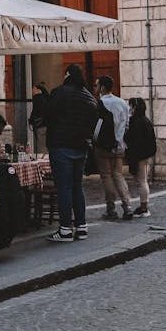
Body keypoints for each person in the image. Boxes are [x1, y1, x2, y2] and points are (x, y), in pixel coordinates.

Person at [41, 64, 99, 242]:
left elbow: (47, 114)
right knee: (76, 186)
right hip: (80, 147)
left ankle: (65, 229)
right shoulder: (89, 96)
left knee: (64, 187)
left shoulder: (60, 92)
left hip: (61, 146)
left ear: (67, 75)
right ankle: (81, 226)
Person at [93, 75, 133, 221]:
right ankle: (127, 206)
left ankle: (111, 209)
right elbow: (127, 124)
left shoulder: (99, 104)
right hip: (119, 145)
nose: (95, 88)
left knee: (106, 176)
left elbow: (96, 127)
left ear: (102, 87)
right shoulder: (122, 103)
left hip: (103, 146)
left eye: (96, 86)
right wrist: (120, 138)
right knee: (118, 175)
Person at [125, 97, 156, 218]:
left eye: (131, 106)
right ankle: (143, 206)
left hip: (139, 155)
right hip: (144, 154)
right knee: (142, 180)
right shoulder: (145, 121)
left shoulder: (136, 122)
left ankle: (144, 207)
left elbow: (134, 140)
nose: (130, 109)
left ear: (135, 108)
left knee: (141, 181)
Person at [29, 82, 49, 154]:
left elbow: (35, 111)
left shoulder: (38, 98)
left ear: (38, 90)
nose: (32, 91)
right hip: (46, 124)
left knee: (41, 146)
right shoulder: (46, 98)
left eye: (33, 89)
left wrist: (31, 120)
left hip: (41, 126)